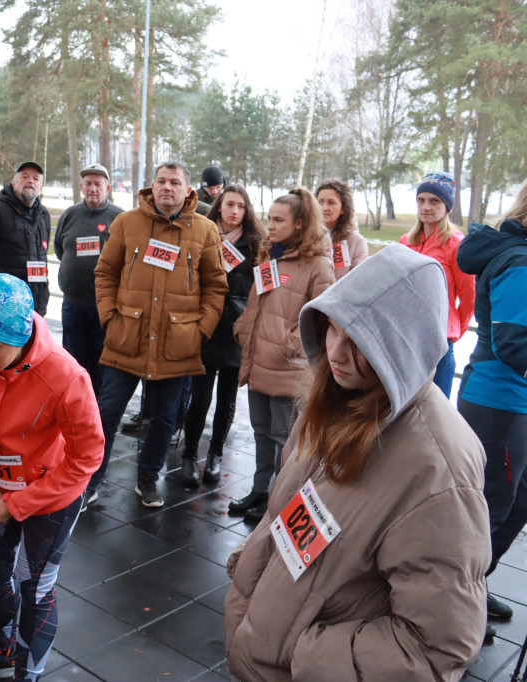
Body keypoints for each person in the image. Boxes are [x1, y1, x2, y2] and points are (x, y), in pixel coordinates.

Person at [224, 245, 489, 681]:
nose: (337, 354)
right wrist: (250, 575)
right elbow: (286, 512)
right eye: (333, 329)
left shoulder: (439, 472)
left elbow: (434, 647)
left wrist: (299, 652)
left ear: (404, 347)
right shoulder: (333, 398)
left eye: (363, 342)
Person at [0, 273, 104, 682]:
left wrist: (21, 503)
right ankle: (0, 651)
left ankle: (27, 675)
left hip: (51, 493)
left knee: (35, 587)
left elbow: (87, 456)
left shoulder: (65, 376)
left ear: (21, 338)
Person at [89, 162, 228, 508]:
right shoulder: (127, 223)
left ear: (187, 189)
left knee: (165, 419)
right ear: (152, 186)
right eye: (162, 181)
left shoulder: (206, 231)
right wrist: (109, 317)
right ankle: (90, 481)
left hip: (177, 343)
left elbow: (215, 288)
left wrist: (201, 331)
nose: (167, 187)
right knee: (106, 413)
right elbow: (105, 273)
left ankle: (148, 478)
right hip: (127, 336)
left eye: (175, 182)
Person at [229, 188, 334, 521]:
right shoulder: (268, 254)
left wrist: (291, 345)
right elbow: (258, 302)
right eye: (269, 218)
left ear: (300, 224)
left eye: (278, 220)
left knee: (285, 440)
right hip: (258, 360)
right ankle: (260, 491)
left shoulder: (318, 264)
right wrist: (244, 328)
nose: (269, 226)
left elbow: (323, 320)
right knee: (262, 432)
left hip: (289, 369)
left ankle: (279, 500)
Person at [456, 181, 527, 630]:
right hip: (497, 405)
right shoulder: (520, 261)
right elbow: (515, 344)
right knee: (490, 507)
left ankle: (473, 587)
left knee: (517, 502)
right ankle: (456, 601)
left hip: (512, 405)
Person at [182, 184, 264, 488]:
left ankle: (215, 455)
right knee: (200, 397)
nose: (234, 211)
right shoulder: (204, 233)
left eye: (241, 207)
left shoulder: (256, 244)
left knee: (227, 400)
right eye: (230, 204)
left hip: (236, 330)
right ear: (219, 206)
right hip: (206, 326)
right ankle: (190, 456)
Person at [399, 171, 475, 398]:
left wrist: (452, 331)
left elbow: (469, 296)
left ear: (447, 206)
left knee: (435, 411)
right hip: (405, 339)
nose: (426, 207)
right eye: (421, 200)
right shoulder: (405, 241)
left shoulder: (456, 243)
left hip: (439, 344)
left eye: (435, 201)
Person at [52, 163, 123, 393]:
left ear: (108, 188)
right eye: (88, 184)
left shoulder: (120, 218)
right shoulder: (70, 215)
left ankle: (98, 413)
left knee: (103, 363)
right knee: (74, 362)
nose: (93, 188)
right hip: (73, 304)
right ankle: (74, 404)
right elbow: (60, 249)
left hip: (106, 307)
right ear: (81, 187)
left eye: (98, 184)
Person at [0, 161, 51, 316]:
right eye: (24, 176)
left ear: (41, 185)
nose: (30, 181)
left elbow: (43, 255)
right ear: (13, 183)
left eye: (35, 178)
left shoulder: (44, 215)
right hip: (3, 309)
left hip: (35, 307)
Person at [316, 178, 368, 279]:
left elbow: (358, 280)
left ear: (343, 208)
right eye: (320, 202)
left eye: (331, 203)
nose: (324, 208)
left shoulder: (356, 242)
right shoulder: (304, 235)